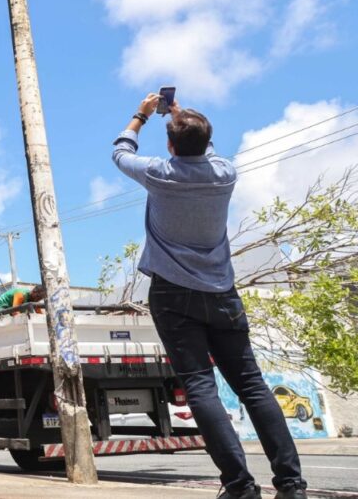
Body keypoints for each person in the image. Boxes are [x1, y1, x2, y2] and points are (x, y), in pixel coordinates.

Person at [112, 94, 307, 499]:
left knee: (201, 387)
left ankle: (239, 486)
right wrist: (180, 113)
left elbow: (119, 150)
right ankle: (291, 485)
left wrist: (141, 115)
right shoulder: (224, 174)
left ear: (170, 147)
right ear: (207, 142)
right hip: (222, 293)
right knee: (252, 384)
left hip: (173, 296)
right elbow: (206, 149)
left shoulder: (159, 172)